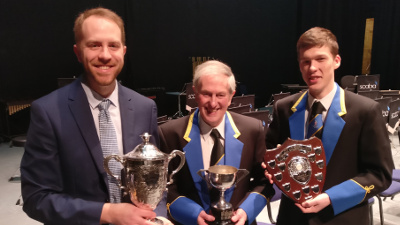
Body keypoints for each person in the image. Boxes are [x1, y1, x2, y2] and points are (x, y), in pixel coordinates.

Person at [20, 7, 170, 225]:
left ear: (124, 51)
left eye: (113, 45)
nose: (105, 55)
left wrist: (157, 218)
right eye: (94, 45)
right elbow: (37, 198)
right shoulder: (47, 112)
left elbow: (155, 179)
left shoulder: (144, 107)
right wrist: (107, 213)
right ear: (78, 52)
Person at [264, 27, 394, 224]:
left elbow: (380, 175)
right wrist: (269, 168)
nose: (312, 68)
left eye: (320, 59)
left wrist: (331, 197)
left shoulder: (365, 111)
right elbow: (270, 152)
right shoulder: (284, 108)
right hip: (292, 218)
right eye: (306, 61)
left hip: (342, 216)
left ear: (336, 61)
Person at [158, 60, 273, 225]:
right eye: (206, 94)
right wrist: (191, 213)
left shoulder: (252, 130)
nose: (213, 103)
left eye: (220, 95)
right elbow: (163, 188)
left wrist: (246, 211)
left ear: (231, 95)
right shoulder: (169, 133)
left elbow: (265, 181)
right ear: (195, 93)